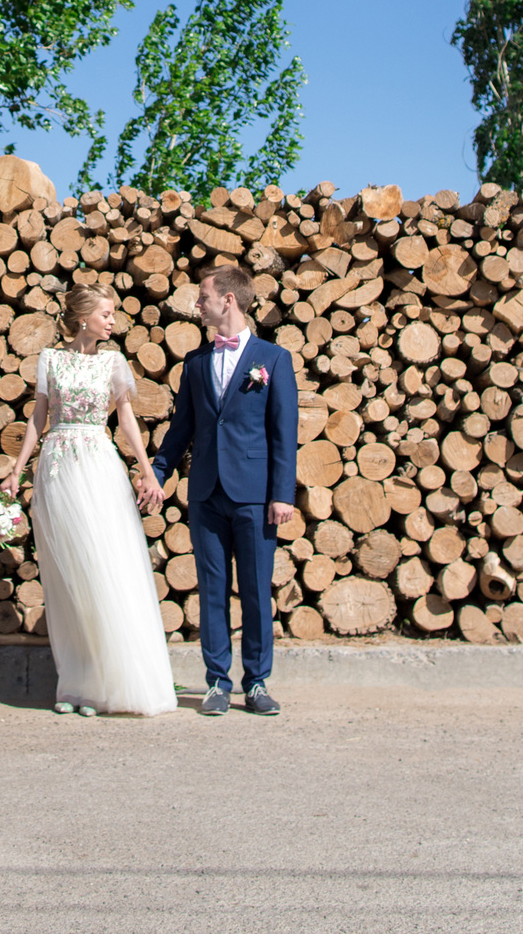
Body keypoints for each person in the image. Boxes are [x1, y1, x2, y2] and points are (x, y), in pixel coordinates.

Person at [0, 284, 177, 717]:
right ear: (83, 317)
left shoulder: (114, 362)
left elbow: (127, 422)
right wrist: (18, 467)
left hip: (98, 466)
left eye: (113, 313)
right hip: (58, 469)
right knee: (69, 579)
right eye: (106, 313)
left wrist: (148, 470)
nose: (113, 320)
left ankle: (107, 684)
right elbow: (38, 417)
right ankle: (76, 684)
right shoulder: (50, 360)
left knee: (102, 568)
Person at [149, 265, 298, 717]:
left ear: (228, 300)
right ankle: (217, 681)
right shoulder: (194, 363)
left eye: (203, 296)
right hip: (206, 492)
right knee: (212, 588)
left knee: (254, 591)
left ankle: (256, 683)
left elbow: (283, 431)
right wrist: (157, 470)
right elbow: (183, 428)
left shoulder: (273, 360)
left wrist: (282, 493)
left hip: (255, 494)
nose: (198, 304)